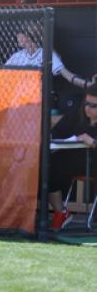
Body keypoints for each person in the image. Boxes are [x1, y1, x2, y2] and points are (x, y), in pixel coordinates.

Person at [49, 86, 97, 230]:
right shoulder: (77, 114)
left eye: (93, 106)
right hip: (76, 160)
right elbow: (56, 131)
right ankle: (61, 212)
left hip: (94, 164)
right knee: (49, 166)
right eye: (86, 104)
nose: (87, 108)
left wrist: (93, 142)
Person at [6, 25, 96, 89]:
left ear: (30, 37)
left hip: (38, 99)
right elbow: (3, 74)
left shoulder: (47, 53)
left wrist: (87, 84)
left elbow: (67, 75)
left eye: (23, 34)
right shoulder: (17, 56)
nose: (19, 37)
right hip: (18, 98)